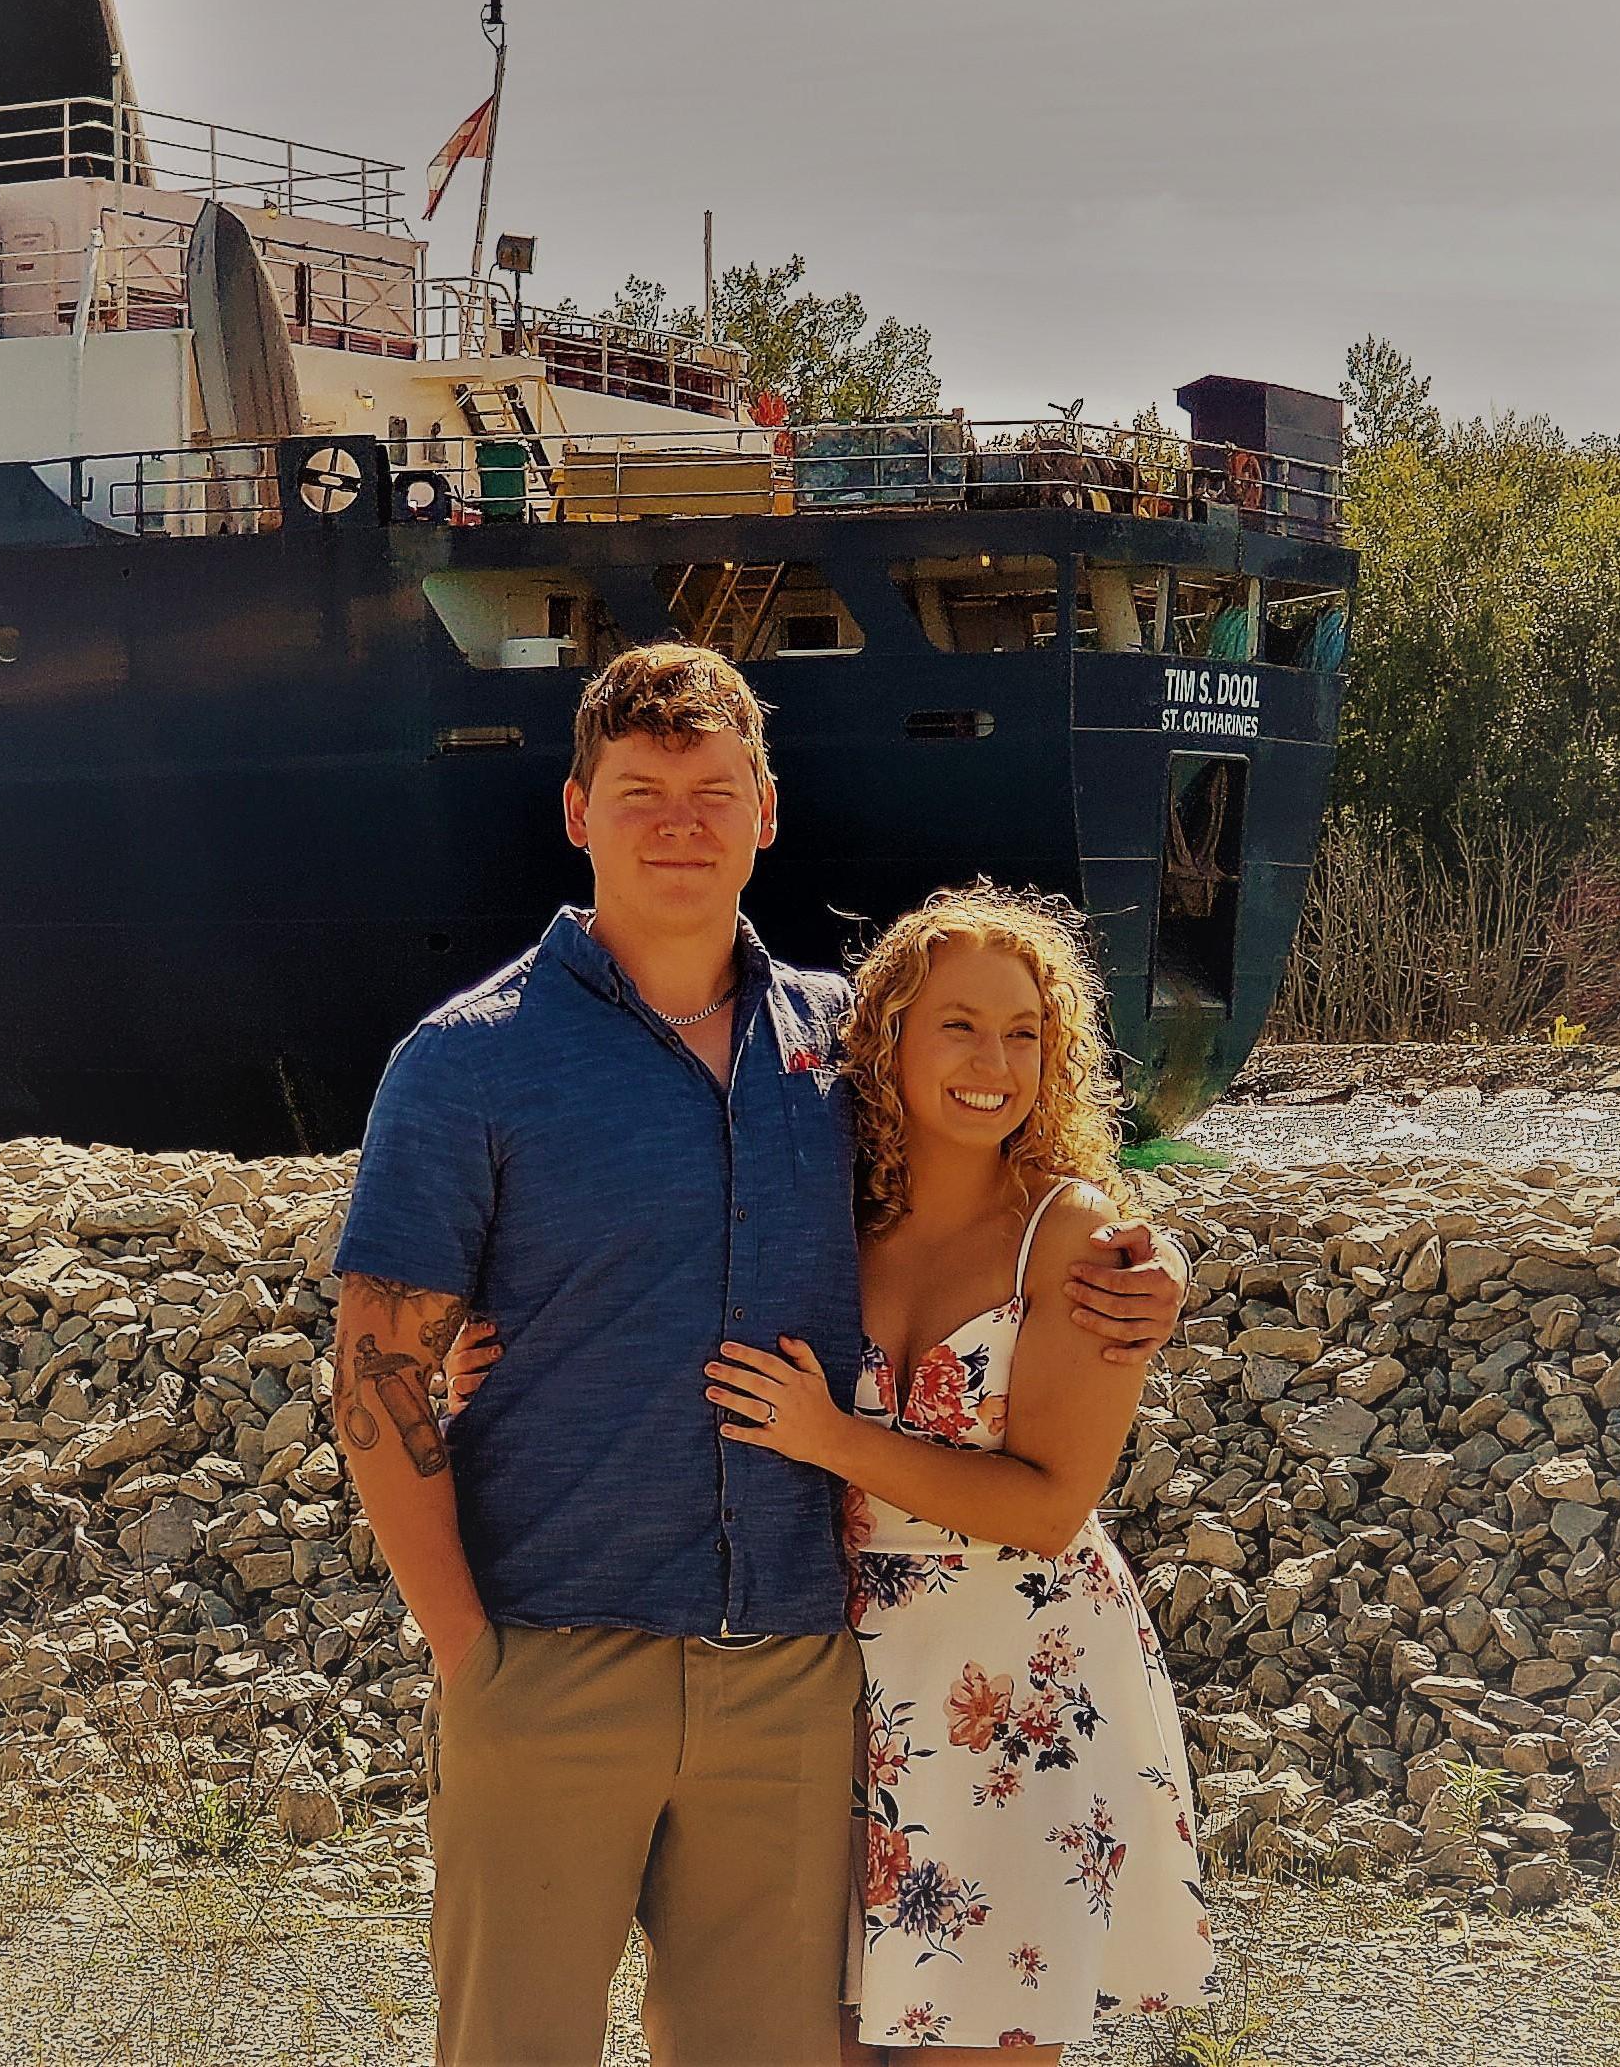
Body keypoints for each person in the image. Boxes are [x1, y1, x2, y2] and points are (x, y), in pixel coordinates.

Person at [328, 643, 1186, 2067]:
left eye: (713, 791)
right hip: (551, 1652)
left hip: (792, 1677)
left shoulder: (843, 1052)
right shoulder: (468, 1060)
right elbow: (374, 1368)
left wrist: (1151, 1260)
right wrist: (468, 1652)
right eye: (641, 792)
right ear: (576, 811)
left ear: (765, 810)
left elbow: (1000, 1175)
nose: (680, 823)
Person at [701, 884, 1213, 2058]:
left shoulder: (1073, 1237)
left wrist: (834, 1438)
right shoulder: (836, 1217)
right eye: (960, 1027)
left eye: (1024, 1033)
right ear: (887, 1041)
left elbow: (1049, 1509)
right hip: (839, 1693)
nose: (995, 1063)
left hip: (1017, 1694)